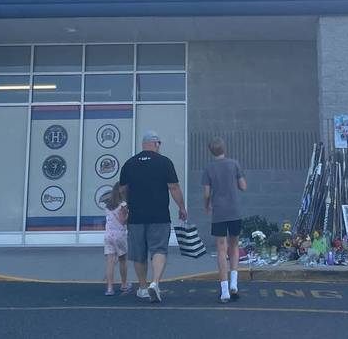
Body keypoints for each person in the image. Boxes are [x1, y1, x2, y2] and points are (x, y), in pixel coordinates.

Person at [117, 130, 187, 304]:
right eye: (159, 144)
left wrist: (127, 205)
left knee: (139, 253)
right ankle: (155, 282)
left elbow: (122, 189)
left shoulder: (129, 163)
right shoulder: (164, 162)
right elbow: (174, 187)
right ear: (156, 144)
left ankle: (142, 287)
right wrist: (181, 207)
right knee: (159, 250)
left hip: (136, 217)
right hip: (159, 215)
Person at [200, 136, 247, 303]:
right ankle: (234, 283)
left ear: (210, 151)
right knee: (234, 246)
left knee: (221, 249)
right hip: (234, 211)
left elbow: (206, 193)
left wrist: (207, 205)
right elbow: (243, 186)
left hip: (219, 212)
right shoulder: (234, 164)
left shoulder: (208, 168)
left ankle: (224, 290)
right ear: (224, 148)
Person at [101, 184, 132, 296]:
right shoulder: (123, 205)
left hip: (108, 235)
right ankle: (124, 285)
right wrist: (130, 214)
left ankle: (109, 288)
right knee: (123, 260)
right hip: (119, 235)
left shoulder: (108, 206)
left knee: (110, 262)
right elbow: (122, 221)